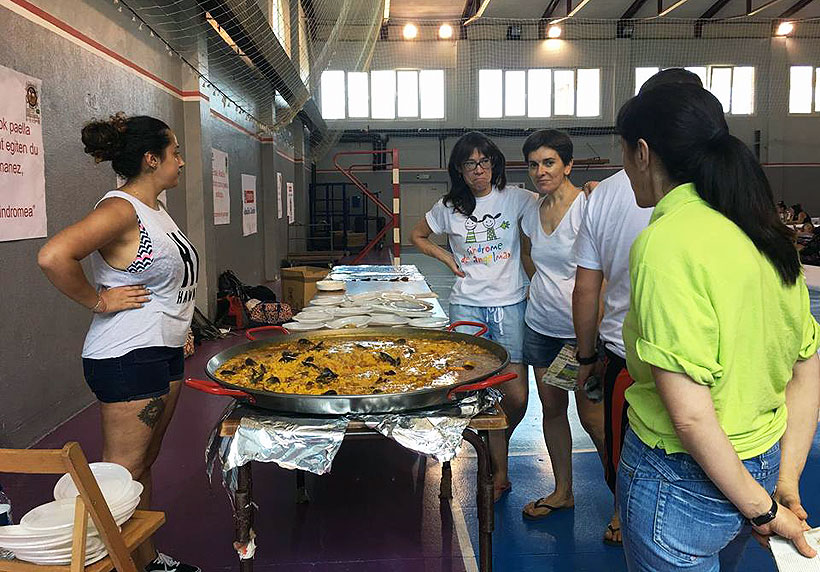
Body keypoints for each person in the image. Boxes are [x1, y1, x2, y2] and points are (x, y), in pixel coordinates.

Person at [616, 83, 819, 570]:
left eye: (623, 154)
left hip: (682, 479)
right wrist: (781, 485)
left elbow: (690, 416)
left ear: (642, 153)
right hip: (762, 464)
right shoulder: (763, 231)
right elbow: (807, 368)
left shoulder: (666, 244)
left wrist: (764, 510)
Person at [38, 114, 200, 572]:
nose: (181, 161)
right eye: (174, 153)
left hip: (161, 348)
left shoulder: (155, 210)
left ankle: (145, 561)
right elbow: (54, 255)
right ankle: (109, 563)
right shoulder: (121, 209)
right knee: (122, 471)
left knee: (144, 463)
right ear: (151, 159)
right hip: (129, 354)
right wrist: (99, 300)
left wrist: (180, 327)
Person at [572, 68, 704, 546]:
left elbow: (587, 289)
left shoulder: (607, 195)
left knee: (635, 467)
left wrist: (586, 356)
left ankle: (622, 515)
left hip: (631, 363)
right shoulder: (735, 195)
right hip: (714, 367)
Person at [410, 131, 536, 500]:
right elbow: (418, 235)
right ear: (460, 171)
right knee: (472, 391)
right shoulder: (449, 207)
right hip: (467, 305)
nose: (478, 170)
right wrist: (446, 257)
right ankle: (498, 471)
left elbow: (557, 199)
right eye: (470, 164)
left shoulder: (517, 198)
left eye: (484, 162)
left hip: (510, 304)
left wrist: (590, 189)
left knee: (516, 396)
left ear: (494, 164)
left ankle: (494, 438)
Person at [515, 129, 606, 521]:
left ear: (568, 165)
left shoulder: (588, 205)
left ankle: (622, 506)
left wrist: (593, 333)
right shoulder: (530, 212)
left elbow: (606, 273)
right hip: (541, 327)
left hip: (581, 334)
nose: (541, 171)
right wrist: (544, 291)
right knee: (552, 410)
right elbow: (528, 256)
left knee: (594, 420)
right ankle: (562, 491)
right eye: (534, 164)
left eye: (549, 162)